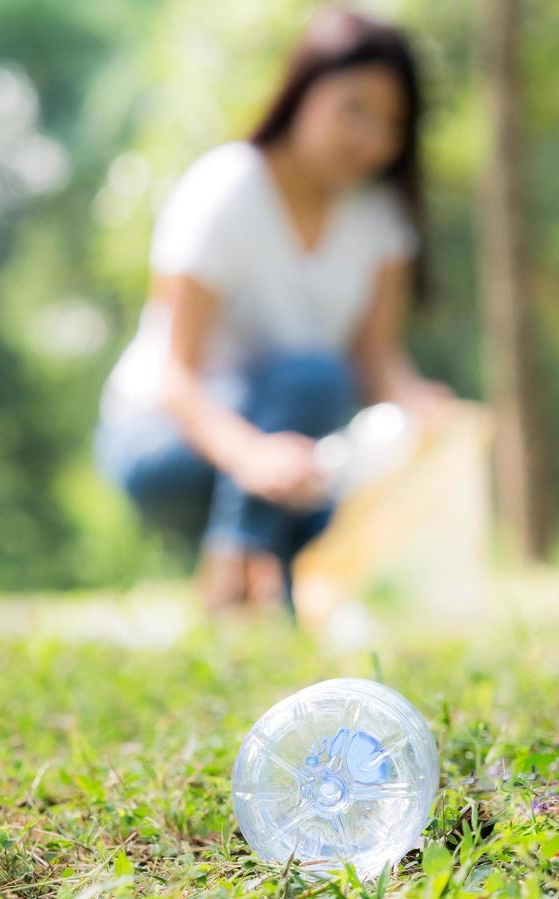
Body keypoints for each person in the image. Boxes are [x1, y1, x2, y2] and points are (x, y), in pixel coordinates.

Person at [94, 7, 452, 613]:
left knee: (344, 485)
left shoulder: (380, 218)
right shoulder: (225, 189)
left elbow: (377, 358)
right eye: (355, 108)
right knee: (315, 377)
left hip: (291, 451)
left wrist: (423, 411)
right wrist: (251, 457)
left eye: (392, 123)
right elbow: (174, 377)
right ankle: (236, 569)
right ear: (304, 89)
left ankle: (269, 588)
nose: (372, 138)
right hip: (164, 442)